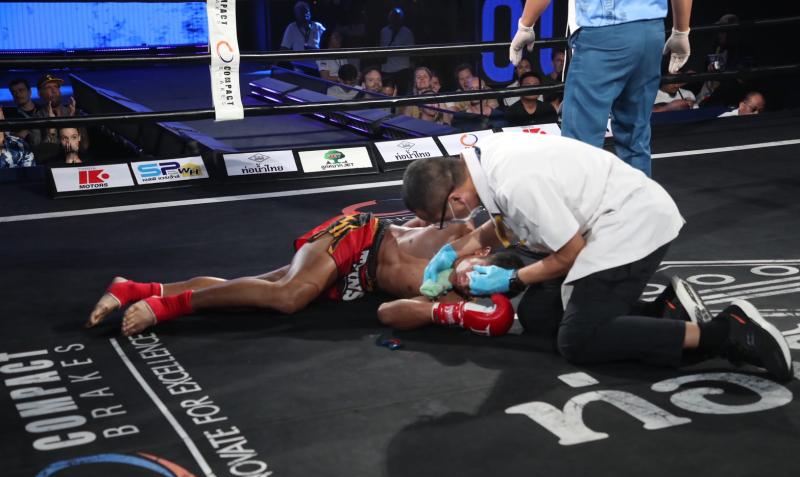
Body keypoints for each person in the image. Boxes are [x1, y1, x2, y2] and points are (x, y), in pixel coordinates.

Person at [400, 132, 792, 382]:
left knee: (579, 340)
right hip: (597, 223)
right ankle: (664, 311)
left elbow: (569, 255)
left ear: (456, 199)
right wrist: (450, 251)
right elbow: (501, 223)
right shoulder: (483, 159)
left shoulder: (515, 181)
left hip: (629, 224)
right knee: (539, 317)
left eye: (441, 220)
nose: (448, 224)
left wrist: (512, 280)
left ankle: (726, 332)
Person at [86, 213, 521, 338]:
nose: (471, 280)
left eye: (480, 285)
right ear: (482, 253)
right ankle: (165, 307)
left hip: (357, 279)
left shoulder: (450, 295)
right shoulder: (464, 235)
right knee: (287, 296)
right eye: (478, 271)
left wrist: (449, 312)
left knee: (259, 290)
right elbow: (506, 215)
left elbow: (389, 314)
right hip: (362, 236)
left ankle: (137, 288)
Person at [509, 0, 693, 177]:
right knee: (635, 133)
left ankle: (581, 199)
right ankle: (638, 198)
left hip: (605, 29)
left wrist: (526, 25)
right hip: (651, 31)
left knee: (580, 142)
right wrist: (681, 30)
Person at [379, 7, 414, 95]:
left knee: (402, 94)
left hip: (402, 68)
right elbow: (381, 48)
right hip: (387, 69)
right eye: (393, 17)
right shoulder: (384, 31)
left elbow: (411, 50)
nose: (395, 19)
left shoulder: (407, 32)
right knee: (386, 94)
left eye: (396, 17)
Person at [35, 73, 77, 145]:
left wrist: (72, 119)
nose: (54, 91)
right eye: (48, 87)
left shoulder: (70, 112)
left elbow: (84, 146)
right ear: (40, 93)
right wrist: (51, 128)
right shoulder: (37, 117)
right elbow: (37, 147)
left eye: (56, 86)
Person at [5, 78, 42, 146]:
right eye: (14, 92)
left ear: (29, 91)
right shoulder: (9, 116)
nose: (18, 94)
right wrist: (15, 135)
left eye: (21, 90)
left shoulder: (43, 110)